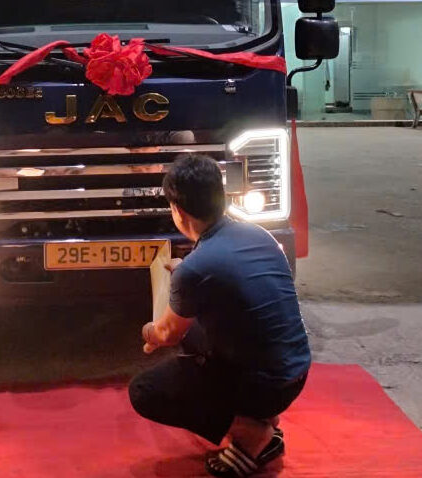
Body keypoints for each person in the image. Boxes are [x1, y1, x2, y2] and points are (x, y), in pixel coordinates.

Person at [129, 154, 311, 477]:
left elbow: (166, 334)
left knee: (145, 391)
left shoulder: (195, 269)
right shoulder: (259, 234)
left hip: (266, 387)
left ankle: (253, 434)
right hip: (296, 373)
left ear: (178, 211)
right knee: (196, 336)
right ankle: (262, 418)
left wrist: (148, 332)